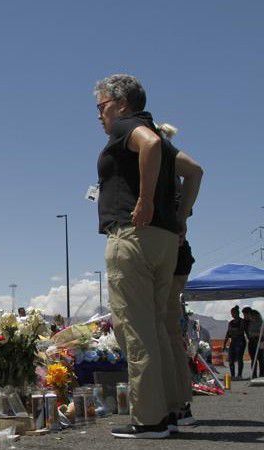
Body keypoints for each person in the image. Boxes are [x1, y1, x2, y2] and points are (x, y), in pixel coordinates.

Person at [94, 74, 185, 439]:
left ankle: (149, 420)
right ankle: (172, 409)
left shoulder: (129, 127)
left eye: (101, 107)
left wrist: (145, 200)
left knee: (135, 330)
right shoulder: (159, 133)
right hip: (163, 240)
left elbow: (147, 146)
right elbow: (194, 171)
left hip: (134, 237)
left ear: (121, 103)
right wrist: (181, 217)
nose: (99, 116)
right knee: (160, 330)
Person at [159, 122, 203, 428]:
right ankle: (179, 403)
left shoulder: (161, 156)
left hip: (167, 251)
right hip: (177, 252)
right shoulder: (167, 168)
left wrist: (180, 216)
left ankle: (173, 404)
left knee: (163, 330)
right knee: (169, 329)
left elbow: (196, 170)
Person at [222, 306, 247, 379]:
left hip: (240, 341)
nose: (232, 315)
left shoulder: (242, 321)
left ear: (237, 313)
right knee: (231, 360)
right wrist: (224, 344)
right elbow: (228, 334)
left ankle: (239, 375)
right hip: (233, 342)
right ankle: (232, 375)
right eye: (231, 313)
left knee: (239, 358)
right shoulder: (231, 323)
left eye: (233, 313)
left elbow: (243, 331)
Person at [242, 307, 263, 378]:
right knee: (253, 359)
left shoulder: (260, 323)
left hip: (260, 342)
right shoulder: (248, 323)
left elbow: (261, 334)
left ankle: (262, 375)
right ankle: (254, 375)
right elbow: (249, 333)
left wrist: (255, 334)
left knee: (261, 359)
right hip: (252, 342)